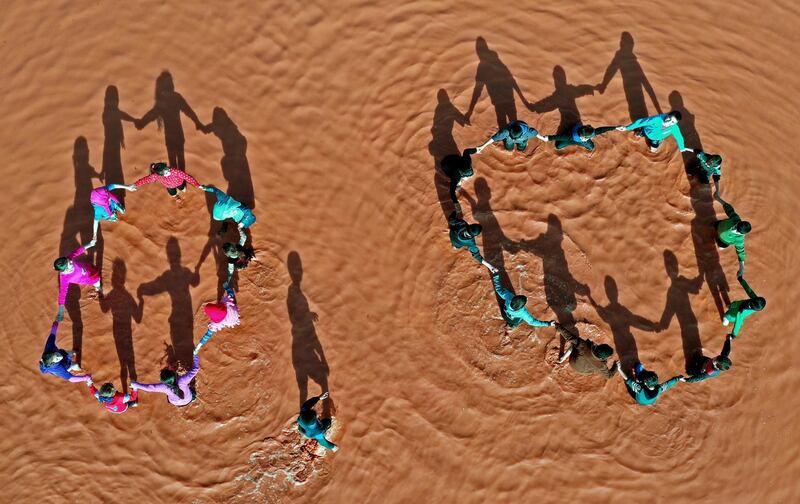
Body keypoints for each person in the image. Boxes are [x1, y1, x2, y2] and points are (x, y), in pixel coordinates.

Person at [54, 241, 102, 322]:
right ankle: (99, 290)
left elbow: (76, 252)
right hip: (91, 278)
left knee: (93, 268)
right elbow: (62, 293)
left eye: (69, 260)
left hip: (88, 267)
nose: (71, 261)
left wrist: (90, 244)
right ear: (65, 269)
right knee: (98, 283)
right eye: (69, 263)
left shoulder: (68, 259)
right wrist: (61, 311)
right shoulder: (65, 278)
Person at [131, 354, 200, 407]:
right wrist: (195, 356)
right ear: (173, 374)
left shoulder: (163, 386)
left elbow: (149, 388)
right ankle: (193, 399)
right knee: (192, 390)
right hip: (188, 399)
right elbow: (195, 369)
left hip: (175, 403)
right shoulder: (182, 380)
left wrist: (135, 385)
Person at [491, 273, 555, 329]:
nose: (527, 299)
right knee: (520, 321)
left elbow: (498, 289)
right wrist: (548, 324)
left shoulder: (509, 297)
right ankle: (512, 326)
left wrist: (495, 276)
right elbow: (532, 322)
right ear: (521, 307)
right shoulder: (523, 313)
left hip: (504, 314)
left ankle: (510, 323)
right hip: (513, 320)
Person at [616, 111, 694, 153]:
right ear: (667, 115)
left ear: (675, 123)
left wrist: (682, 147)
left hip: (656, 138)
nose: (669, 122)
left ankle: (658, 141)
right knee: (637, 134)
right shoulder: (657, 119)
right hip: (646, 131)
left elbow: (679, 138)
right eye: (669, 118)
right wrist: (626, 128)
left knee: (653, 151)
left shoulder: (674, 128)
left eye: (673, 122)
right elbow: (640, 122)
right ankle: (641, 132)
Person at [194, 286, 241, 354]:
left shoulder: (216, 324)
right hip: (234, 314)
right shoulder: (226, 303)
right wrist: (228, 287)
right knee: (232, 299)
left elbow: (207, 335)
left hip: (229, 321)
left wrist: (198, 346)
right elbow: (231, 294)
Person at [713, 193, 750, 277]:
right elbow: (729, 209)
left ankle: (718, 242)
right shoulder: (735, 219)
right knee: (712, 224)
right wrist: (718, 198)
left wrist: (741, 268)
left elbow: (741, 253)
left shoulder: (739, 240)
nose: (733, 228)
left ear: (741, 233)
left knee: (720, 248)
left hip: (723, 241)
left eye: (736, 230)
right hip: (719, 225)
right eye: (736, 226)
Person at [618, 362, 683, 405]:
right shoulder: (659, 389)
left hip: (639, 399)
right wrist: (678, 378)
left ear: (645, 383)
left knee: (630, 381)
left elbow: (627, 379)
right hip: (650, 402)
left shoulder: (639, 389)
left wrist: (619, 369)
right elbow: (669, 384)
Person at [440, 147, 477, 213]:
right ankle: (459, 182)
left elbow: (466, 151)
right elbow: (452, 192)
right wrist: (456, 204)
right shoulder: (455, 177)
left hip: (452, 159)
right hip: (446, 166)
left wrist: (477, 150)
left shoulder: (467, 161)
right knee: (454, 180)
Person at [133, 162, 201, 197]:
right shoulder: (156, 176)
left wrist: (197, 185)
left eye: (167, 168)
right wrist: (135, 184)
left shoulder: (176, 171)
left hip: (180, 183)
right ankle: (176, 197)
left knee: (184, 190)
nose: (169, 170)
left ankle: (183, 191)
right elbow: (145, 180)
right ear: (161, 175)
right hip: (170, 187)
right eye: (166, 172)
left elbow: (187, 177)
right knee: (173, 195)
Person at [475, 120, 548, 153]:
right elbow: (493, 139)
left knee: (522, 148)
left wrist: (543, 138)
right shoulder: (506, 132)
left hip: (522, 140)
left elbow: (535, 133)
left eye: (514, 138)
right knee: (509, 148)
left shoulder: (529, 132)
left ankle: (521, 148)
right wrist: (482, 146)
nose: (514, 139)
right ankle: (510, 147)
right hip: (515, 130)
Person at [546, 124, 619, 152]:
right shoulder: (570, 137)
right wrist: (548, 138)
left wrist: (615, 127)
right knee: (558, 146)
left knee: (592, 148)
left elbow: (601, 129)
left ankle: (588, 146)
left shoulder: (591, 132)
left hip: (579, 140)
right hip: (571, 139)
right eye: (588, 138)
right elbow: (559, 137)